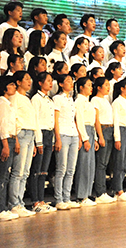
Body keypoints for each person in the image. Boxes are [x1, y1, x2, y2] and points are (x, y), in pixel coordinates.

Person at [8, 71, 41, 217]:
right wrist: (15, 138)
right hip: (21, 134)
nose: (29, 81)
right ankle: (14, 203)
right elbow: (13, 118)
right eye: (26, 79)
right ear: (18, 82)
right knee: (18, 171)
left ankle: (20, 202)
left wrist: (34, 141)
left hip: (30, 134)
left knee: (25, 172)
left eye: (30, 79)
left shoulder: (27, 98)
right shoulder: (14, 97)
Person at [0, 76, 21, 221]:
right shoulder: (1, 103)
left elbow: (13, 124)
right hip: (3, 140)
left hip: (11, 138)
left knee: (5, 175)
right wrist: (6, 145)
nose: (14, 87)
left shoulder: (8, 103)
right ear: (4, 87)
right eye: (11, 84)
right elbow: (2, 126)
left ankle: (3, 206)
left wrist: (16, 141)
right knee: (0, 175)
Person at [28, 72, 57, 213]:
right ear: (40, 83)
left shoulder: (49, 100)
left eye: (51, 81)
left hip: (49, 134)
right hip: (40, 134)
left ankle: (41, 199)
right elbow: (36, 120)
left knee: (44, 170)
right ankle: (35, 201)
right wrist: (38, 141)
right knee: (37, 170)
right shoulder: (36, 99)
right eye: (48, 81)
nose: (51, 83)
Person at [53, 74, 80, 209]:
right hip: (63, 134)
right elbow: (56, 119)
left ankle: (67, 197)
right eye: (68, 81)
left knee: (71, 169)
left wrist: (78, 136)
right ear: (61, 84)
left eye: (71, 81)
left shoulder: (71, 100)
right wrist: (57, 138)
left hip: (73, 134)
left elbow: (74, 119)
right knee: (61, 168)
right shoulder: (57, 98)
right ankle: (59, 199)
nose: (71, 83)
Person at [74, 76, 101, 206]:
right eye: (88, 85)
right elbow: (79, 120)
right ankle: (81, 195)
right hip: (84, 131)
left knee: (90, 165)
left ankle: (87, 194)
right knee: (83, 165)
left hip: (90, 131)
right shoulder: (79, 101)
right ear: (81, 87)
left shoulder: (89, 102)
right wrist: (85, 138)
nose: (91, 88)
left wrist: (94, 138)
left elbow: (93, 122)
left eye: (91, 85)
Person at [91, 77, 117, 203]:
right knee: (101, 163)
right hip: (103, 129)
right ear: (98, 87)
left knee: (105, 163)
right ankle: (100, 192)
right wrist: (100, 136)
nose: (108, 87)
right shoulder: (95, 100)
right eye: (106, 85)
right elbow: (96, 119)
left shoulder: (106, 100)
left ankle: (104, 190)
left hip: (110, 129)